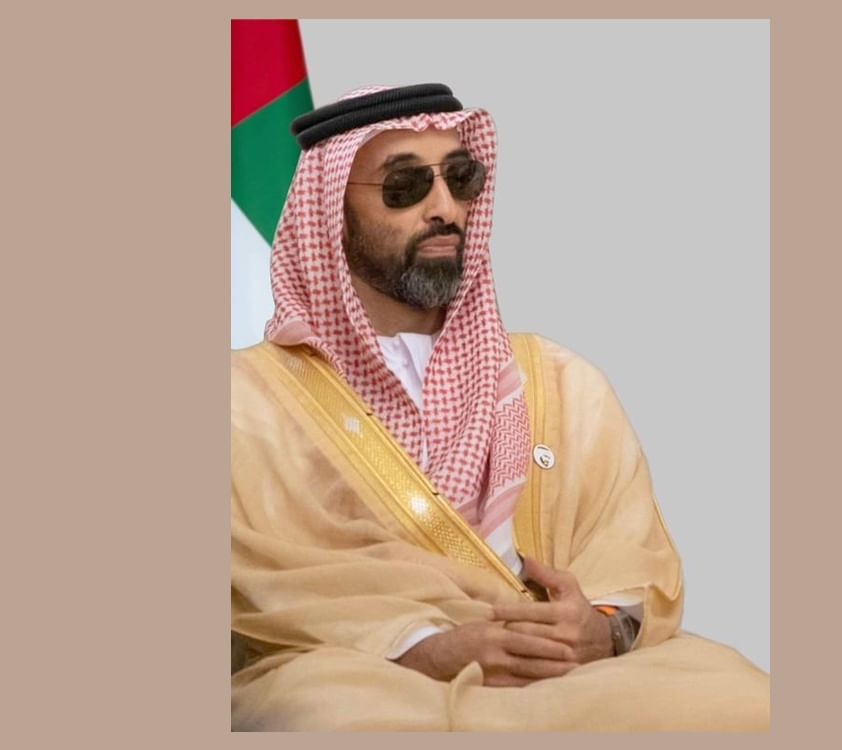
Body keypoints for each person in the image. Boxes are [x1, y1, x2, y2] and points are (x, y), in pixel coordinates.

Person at [231, 83, 770, 731]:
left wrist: (599, 629)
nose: (445, 208)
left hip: (566, 667)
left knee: (745, 703)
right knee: (335, 719)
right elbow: (253, 578)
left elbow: (630, 554)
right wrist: (424, 646)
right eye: (405, 186)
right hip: (365, 670)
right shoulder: (245, 399)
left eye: (461, 180)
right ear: (329, 213)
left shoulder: (560, 381)